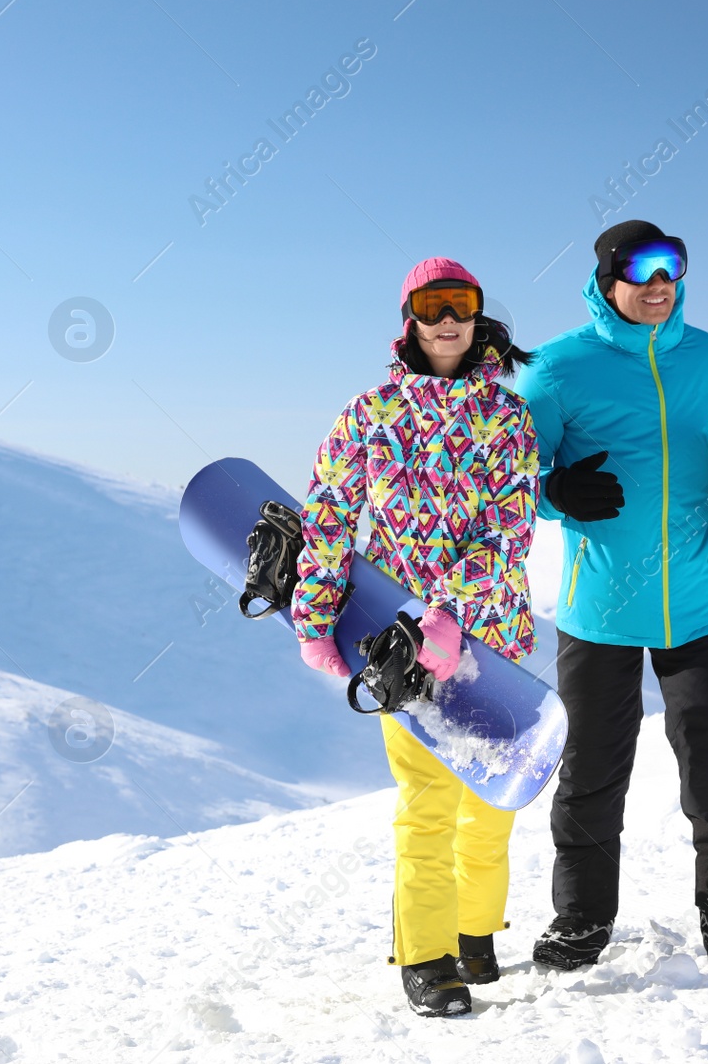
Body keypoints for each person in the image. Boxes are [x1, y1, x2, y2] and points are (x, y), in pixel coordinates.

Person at [512, 220, 708, 978]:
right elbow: (509, 474)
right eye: (642, 271)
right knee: (592, 767)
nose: (660, 284)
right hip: (601, 608)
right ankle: (580, 921)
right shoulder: (559, 367)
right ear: (606, 278)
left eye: (673, 268)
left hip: (699, 599)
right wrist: (555, 492)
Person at [291, 258, 540, 1016]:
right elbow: (329, 516)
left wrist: (452, 606)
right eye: (432, 307)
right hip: (400, 644)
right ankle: (427, 957)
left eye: (459, 304)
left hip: (491, 639)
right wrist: (315, 614)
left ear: (476, 315)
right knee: (429, 800)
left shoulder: (508, 417)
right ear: (410, 318)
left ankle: (474, 931)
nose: (447, 320)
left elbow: (509, 529)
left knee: (492, 802)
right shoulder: (368, 414)